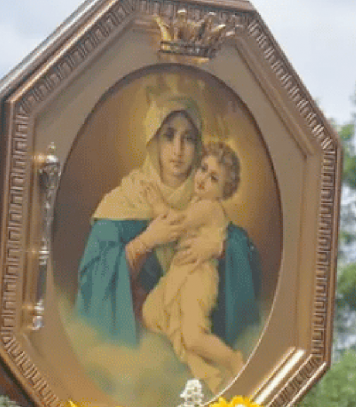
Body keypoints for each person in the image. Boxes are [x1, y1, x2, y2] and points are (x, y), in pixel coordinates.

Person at [75, 97, 261, 387]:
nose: (178, 150)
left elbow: (246, 254)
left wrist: (220, 248)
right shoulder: (125, 200)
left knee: (190, 333)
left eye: (188, 139)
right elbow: (92, 280)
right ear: (153, 141)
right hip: (136, 353)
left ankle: (214, 370)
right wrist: (145, 242)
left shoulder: (204, 200)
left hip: (192, 319)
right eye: (168, 136)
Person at [141, 141, 244, 391]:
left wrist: (157, 203)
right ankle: (210, 375)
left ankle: (233, 360)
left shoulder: (209, 207)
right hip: (182, 273)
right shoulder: (199, 202)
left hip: (198, 278)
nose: (203, 179)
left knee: (194, 337)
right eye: (203, 169)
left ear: (223, 190)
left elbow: (177, 224)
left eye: (214, 178)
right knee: (153, 313)